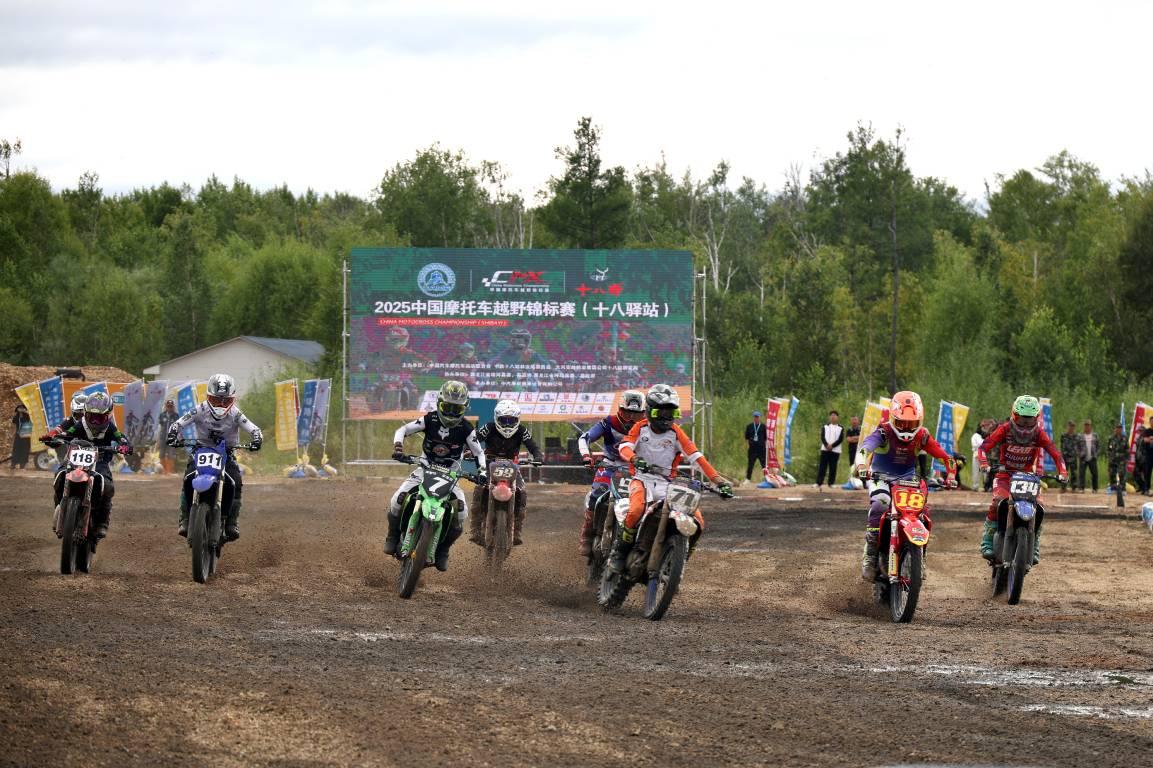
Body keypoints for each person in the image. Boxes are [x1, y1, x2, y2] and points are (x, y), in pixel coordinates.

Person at [609, 384, 732, 572]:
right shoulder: (640, 428)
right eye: (661, 412)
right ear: (650, 411)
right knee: (635, 510)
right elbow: (624, 447)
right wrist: (634, 459)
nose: (666, 417)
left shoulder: (676, 433)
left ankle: (680, 558)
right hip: (641, 479)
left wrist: (719, 481)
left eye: (671, 413)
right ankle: (619, 552)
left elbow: (697, 458)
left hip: (667, 483)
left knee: (698, 521)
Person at [854, 391, 956, 581]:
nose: (907, 428)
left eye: (912, 424)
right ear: (893, 419)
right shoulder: (884, 431)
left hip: (908, 479)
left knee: (922, 513)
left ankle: (920, 557)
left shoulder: (923, 436)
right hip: (880, 476)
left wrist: (951, 474)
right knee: (880, 504)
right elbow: (864, 449)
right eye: (902, 423)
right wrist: (861, 466)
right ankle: (871, 555)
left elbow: (945, 457)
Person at [386, 380, 485, 571]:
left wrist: (482, 472)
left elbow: (479, 453)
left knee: (461, 513)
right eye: (447, 408)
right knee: (397, 499)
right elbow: (403, 429)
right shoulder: (429, 419)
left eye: (456, 409)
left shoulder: (466, 428)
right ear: (439, 403)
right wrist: (398, 447)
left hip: (451, 476)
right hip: (424, 469)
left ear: (464, 408)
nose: (451, 414)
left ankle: (443, 550)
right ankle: (392, 536)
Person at [166, 373, 263, 541]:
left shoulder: (236, 414)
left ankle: (232, 521)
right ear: (208, 397)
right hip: (201, 451)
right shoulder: (199, 409)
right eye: (216, 400)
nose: (220, 404)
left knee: (235, 482)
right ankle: (185, 518)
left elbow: (254, 428)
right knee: (188, 478)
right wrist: (172, 434)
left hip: (227, 453)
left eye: (225, 401)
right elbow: (179, 423)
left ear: (232, 399)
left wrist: (257, 439)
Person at [977, 395, 1067, 564]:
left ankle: (1035, 544)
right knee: (998, 501)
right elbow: (983, 447)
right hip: (1005, 474)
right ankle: (987, 541)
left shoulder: (1039, 433)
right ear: (1014, 415)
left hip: (1027, 477)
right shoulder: (1005, 429)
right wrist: (983, 462)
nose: (1025, 424)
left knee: (1039, 506)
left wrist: (1063, 471)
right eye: (1022, 419)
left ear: (1036, 417)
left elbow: (1056, 454)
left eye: (1029, 419)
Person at [40, 391, 132, 539]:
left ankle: (102, 522)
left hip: (100, 461)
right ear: (86, 414)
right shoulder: (80, 424)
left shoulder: (110, 428)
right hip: (75, 459)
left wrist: (125, 446)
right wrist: (54, 439)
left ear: (107, 416)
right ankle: (59, 506)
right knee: (60, 475)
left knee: (107, 486)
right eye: (91, 417)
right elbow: (67, 433)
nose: (95, 422)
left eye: (99, 418)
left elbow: (121, 438)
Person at [576, 390, 646, 555]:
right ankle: (587, 534)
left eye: (636, 415)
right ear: (620, 410)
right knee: (597, 493)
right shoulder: (608, 422)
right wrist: (586, 456)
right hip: (610, 464)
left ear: (643, 414)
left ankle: (641, 540)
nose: (631, 419)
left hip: (636, 469)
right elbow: (585, 438)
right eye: (627, 413)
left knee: (645, 502)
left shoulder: (647, 428)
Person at [470, 399, 543, 546]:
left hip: (512, 465)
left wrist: (538, 457)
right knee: (479, 487)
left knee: (522, 492)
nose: (508, 424)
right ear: (497, 418)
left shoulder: (522, 430)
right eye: (504, 420)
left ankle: (517, 530)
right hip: (489, 462)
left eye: (512, 420)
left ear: (517, 419)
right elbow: (474, 440)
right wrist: (468, 450)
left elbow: (533, 446)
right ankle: (475, 529)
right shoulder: (489, 427)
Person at [816, 410, 844, 490]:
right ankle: (819, 482)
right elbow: (822, 437)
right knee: (822, 466)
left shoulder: (841, 428)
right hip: (825, 449)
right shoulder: (825, 426)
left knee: (833, 467)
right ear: (829, 417)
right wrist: (826, 445)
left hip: (835, 450)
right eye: (831, 415)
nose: (833, 417)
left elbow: (840, 439)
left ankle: (831, 483)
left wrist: (832, 446)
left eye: (835, 415)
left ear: (837, 417)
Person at [157, 399, 181, 475]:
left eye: (171, 406)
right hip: (163, 437)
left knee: (171, 454)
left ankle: (169, 471)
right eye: (168, 406)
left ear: (173, 407)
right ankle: (164, 471)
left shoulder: (176, 416)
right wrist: (158, 438)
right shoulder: (162, 415)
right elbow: (160, 426)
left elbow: (178, 427)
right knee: (162, 454)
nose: (169, 408)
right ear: (166, 407)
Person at [1077, 419, 1100, 493]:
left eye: (1088, 425)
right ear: (1084, 426)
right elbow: (1077, 446)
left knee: (1094, 474)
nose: (1087, 427)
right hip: (1083, 457)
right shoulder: (1080, 436)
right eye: (1085, 425)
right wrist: (1079, 454)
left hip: (1092, 457)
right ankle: (1081, 488)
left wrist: (1096, 454)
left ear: (1091, 426)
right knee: (1081, 474)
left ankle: (1095, 488)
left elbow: (1098, 446)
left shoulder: (1095, 436)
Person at [744, 411, 767, 482]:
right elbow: (746, 437)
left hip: (761, 449)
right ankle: (748, 479)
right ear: (753, 417)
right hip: (752, 449)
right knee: (750, 464)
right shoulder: (749, 426)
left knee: (764, 464)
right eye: (755, 417)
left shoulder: (763, 427)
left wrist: (764, 446)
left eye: (757, 417)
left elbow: (765, 438)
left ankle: (767, 478)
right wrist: (749, 445)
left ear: (760, 417)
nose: (756, 418)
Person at [1106, 423, 1128, 496]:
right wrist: (1110, 457)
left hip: (1122, 460)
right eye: (1117, 428)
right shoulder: (1111, 438)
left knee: (1122, 474)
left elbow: (1127, 449)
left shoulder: (1125, 438)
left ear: (1121, 429)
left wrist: (1126, 458)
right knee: (1112, 474)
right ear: (1115, 429)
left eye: (1120, 428)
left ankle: (1123, 489)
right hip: (1113, 459)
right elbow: (1108, 449)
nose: (1118, 429)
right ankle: (1113, 488)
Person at [10, 403, 32, 470]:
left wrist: (24, 413)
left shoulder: (27, 416)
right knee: (16, 449)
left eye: (22, 408)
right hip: (18, 435)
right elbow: (13, 421)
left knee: (25, 449)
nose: (21, 409)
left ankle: (22, 464)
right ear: (17, 409)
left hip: (25, 435)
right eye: (20, 408)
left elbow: (29, 421)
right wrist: (19, 415)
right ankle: (13, 464)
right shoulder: (16, 416)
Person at [1059, 420, 1079, 491]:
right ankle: (1063, 487)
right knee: (1064, 472)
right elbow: (1061, 446)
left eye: (1073, 426)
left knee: (1074, 473)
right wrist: (1062, 454)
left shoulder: (1076, 436)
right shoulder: (1063, 435)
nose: (1071, 428)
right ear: (1068, 426)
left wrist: (1076, 453)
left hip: (1073, 457)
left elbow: (1078, 446)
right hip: (1065, 457)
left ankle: (1074, 487)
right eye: (1070, 426)